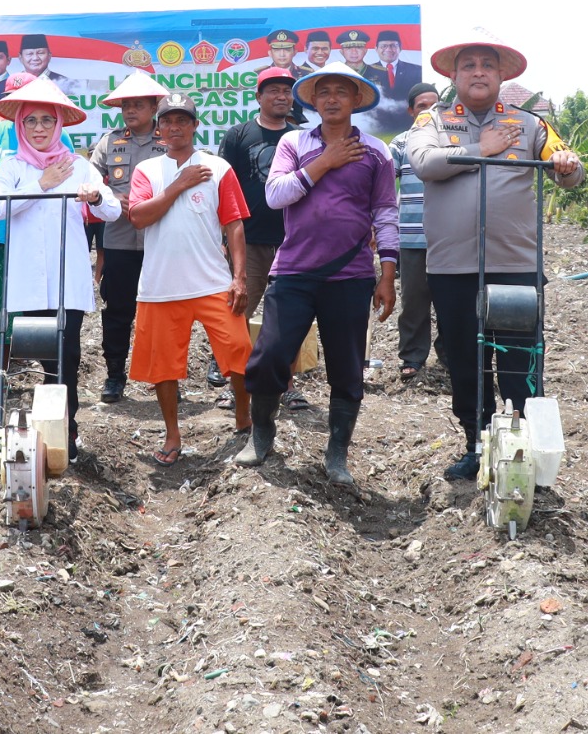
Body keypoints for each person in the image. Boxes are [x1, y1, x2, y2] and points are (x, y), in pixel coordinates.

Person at [408, 29, 584, 480]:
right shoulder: (433, 121)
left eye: (488, 65)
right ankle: (476, 443)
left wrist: (568, 165)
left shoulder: (528, 124)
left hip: (516, 267)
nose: (479, 72)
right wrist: (479, 150)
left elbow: (568, 169)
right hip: (453, 269)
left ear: (502, 74)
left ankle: (522, 451)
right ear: (454, 74)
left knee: (519, 359)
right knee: (466, 362)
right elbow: (424, 164)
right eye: (469, 65)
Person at [237, 63, 398, 486]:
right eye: (323, 91)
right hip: (293, 270)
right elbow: (275, 195)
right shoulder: (293, 143)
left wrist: (388, 272)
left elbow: (385, 213)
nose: (331, 98)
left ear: (355, 100)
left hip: (352, 275)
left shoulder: (376, 153)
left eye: (340, 92)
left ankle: (337, 451)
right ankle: (262, 434)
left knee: (346, 367)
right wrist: (323, 164)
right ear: (312, 99)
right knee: (270, 354)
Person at [0, 78, 121, 461]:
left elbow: (110, 209)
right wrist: (43, 185)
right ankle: (40, 430)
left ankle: (67, 431)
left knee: (67, 354)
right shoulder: (11, 167)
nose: (41, 128)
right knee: (41, 354)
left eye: (48, 120)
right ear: (21, 127)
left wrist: (95, 195)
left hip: (68, 280)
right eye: (32, 121)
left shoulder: (77, 165)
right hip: (29, 281)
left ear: (60, 123)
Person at [126, 93, 252, 464]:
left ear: (195, 126)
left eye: (183, 120)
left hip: (213, 282)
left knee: (241, 353)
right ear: (159, 128)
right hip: (160, 287)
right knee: (163, 367)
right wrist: (179, 184)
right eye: (168, 121)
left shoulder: (218, 168)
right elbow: (138, 217)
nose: (174, 127)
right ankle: (172, 433)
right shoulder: (147, 171)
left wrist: (239, 278)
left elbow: (235, 226)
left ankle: (244, 415)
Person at [218, 67, 311, 402]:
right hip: (250, 238)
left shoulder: (303, 137)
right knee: (238, 311)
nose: (281, 96)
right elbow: (223, 187)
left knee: (290, 315)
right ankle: (238, 382)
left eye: (287, 91)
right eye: (273, 90)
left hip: (293, 241)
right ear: (258, 97)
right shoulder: (238, 135)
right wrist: (225, 236)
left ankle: (284, 384)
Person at [0, 72, 77, 365]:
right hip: (3, 233)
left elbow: (65, 172)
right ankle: (3, 373)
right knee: (3, 306)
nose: (36, 125)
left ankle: (48, 373)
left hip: (47, 232)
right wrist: (24, 162)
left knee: (46, 304)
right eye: (13, 100)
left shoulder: (60, 132)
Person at [89, 70, 168, 403]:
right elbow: (90, 182)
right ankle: (114, 375)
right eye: (126, 106)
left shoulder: (170, 141)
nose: (130, 111)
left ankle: (165, 376)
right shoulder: (109, 142)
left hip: (161, 239)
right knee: (118, 309)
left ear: (154, 107)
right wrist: (108, 196)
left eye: (138, 105)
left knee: (163, 310)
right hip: (119, 239)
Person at [389, 82, 441, 379]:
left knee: (452, 299)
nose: (430, 111)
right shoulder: (400, 143)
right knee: (414, 300)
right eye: (423, 106)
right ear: (411, 111)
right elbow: (382, 186)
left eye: (435, 105)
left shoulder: (452, 139)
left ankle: (449, 355)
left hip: (451, 236)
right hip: (411, 237)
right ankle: (413, 356)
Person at [370, 31, 421, 101]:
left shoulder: (416, 71)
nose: (388, 50)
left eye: (393, 46)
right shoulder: (367, 70)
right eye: (384, 46)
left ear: (400, 48)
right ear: (376, 49)